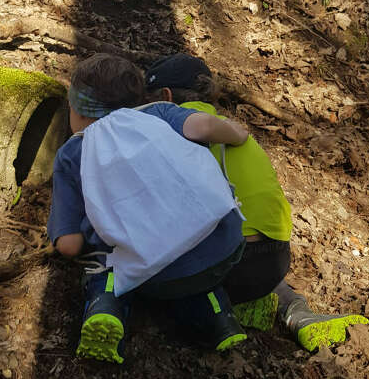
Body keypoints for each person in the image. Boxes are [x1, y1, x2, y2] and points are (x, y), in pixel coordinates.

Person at [145, 53, 368, 352]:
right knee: (236, 246)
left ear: (165, 96)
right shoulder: (230, 127)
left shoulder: (167, 127)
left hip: (229, 264)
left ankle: (220, 311)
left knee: (154, 280)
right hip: (275, 259)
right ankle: (296, 312)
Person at [47, 53, 250, 363]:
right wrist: (237, 132)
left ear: (76, 110)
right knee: (194, 269)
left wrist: (70, 237)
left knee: (103, 255)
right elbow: (205, 126)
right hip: (224, 246)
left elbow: (70, 245)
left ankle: (105, 307)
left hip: (158, 276)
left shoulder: (71, 153)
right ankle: (218, 318)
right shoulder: (158, 112)